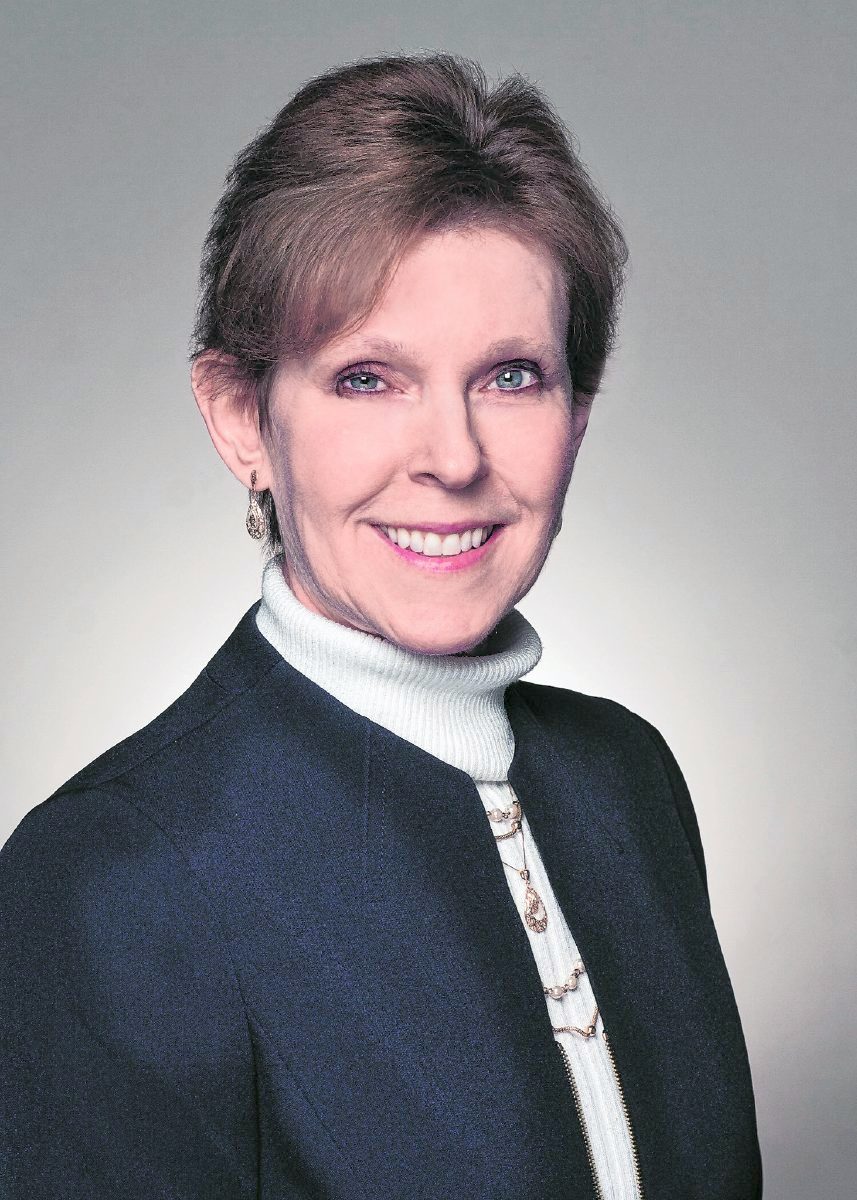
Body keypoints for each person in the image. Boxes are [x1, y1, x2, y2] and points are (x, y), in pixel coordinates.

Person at [0, 53, 762, 1198]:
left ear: (576, 415)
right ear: (241, 417)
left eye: (511, 377)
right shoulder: (109, 880)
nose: (452, 457)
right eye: (367, 377)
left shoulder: (628, 782)